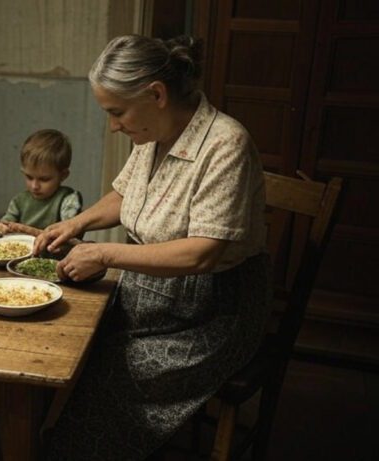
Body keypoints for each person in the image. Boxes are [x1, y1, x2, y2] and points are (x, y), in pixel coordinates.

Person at [34, 35, 271, 460]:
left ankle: (73, 448)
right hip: (149, 293)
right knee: (58, 340)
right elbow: (127, 195)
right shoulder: (151, 136)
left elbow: (202, 253)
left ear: (156, 94)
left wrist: (105, 253)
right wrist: (76, 223)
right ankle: (50, 438)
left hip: (211, 312)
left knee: (111, 370)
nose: (113, 125)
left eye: (117, 112)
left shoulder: (225, 145)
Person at [0, 129, 82, 236]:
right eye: (29, 177)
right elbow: (5, 226)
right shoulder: (19, 202)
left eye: (44, 179)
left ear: (63, 175)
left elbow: (70, 231)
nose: (34, 186)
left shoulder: (67, 199)